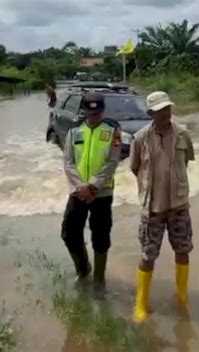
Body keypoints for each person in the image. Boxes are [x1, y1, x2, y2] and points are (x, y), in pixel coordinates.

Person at [130, 91, 195, 323]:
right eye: (160, 111)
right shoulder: (140, 138)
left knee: (183, 250)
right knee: (148, 255)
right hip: (152, 208)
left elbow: (185, 162)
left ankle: (181, 295)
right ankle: (141, 302)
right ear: (150, 113)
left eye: (167, 109)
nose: (165, 114)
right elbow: (135, 167)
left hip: (178, 205)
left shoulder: (182, 133)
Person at [61, 92, 121, 293]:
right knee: (69, 233)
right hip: (78, 192)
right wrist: (81, 186)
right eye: (90, 111)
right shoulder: (74, 131)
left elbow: (113, 161)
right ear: (84, 110)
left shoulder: (113, 131)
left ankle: (99, 279)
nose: (93, 115)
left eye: (97, 111)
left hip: (101, 194)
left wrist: (93, 186)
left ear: (102, 110)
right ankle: (83, 269)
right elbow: (68, 162)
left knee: (101, 236)